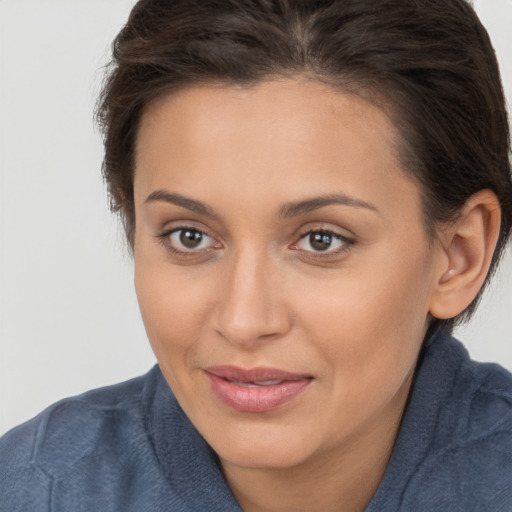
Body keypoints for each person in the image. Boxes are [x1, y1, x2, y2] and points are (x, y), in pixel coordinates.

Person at [1, 0, 511, 510]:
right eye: (189, 236)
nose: (244, 321)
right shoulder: (30, 491)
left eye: (321, 240)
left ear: (458, 255)